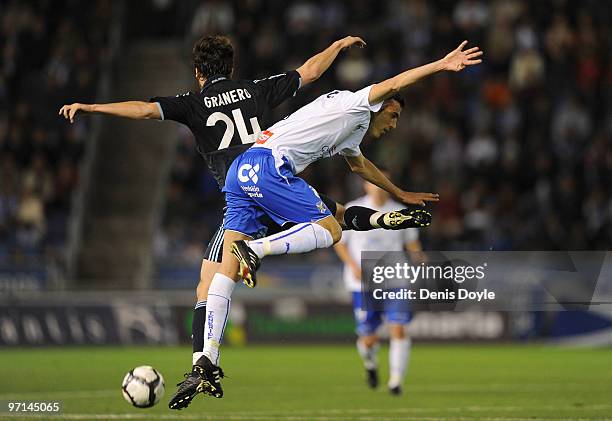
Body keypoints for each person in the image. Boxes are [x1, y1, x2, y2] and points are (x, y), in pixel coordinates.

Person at [58, 34, 424, 409]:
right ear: (231, 68)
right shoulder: (255, 90)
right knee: (337, 217)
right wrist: (336, 46)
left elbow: (143, 109)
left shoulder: (193, 102)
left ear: (198, 72)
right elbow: (309, 72)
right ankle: (383, 219)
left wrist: (92, 107)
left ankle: (204, 360)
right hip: (270, 177)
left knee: (212, 283)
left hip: (245, 189)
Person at [200, 40, 482, 398]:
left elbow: (358, 164)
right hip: (270, 166)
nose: (394, 125)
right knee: (331, 229)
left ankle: (206, 359)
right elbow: (394, 83)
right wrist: (441, 65)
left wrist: (400, 194)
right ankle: (257, 251)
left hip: (242, 170)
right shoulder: (357, 102)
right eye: (393, 115)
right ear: (381, 106)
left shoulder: (351, 129)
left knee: (225, 271)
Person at [334, 175, 423, 395]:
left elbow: (413, 245)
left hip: (395, 278)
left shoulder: (401, 212)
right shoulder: (353, 209)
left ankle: (396, 380)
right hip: (362, 283)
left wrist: (421, 262)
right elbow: (340, 243)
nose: (378, 187)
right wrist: (353, 265)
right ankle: (371, 365)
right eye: (374, 182)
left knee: (398, 328)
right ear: (366, 184)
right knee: (368, 338)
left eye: (383, 182)